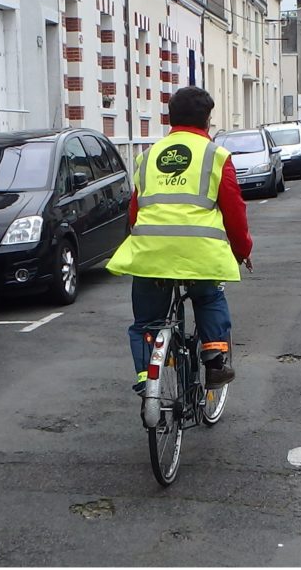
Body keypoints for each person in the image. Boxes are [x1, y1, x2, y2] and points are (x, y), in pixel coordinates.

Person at [107, 86, 253, 394]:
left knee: (147, 323)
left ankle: (149, 384)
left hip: (151, 254)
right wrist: (241, 251)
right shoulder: (215, 155)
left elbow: (134, 211)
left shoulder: (147, 157)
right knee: (209, 297)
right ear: (207, 120)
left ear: (170, 118)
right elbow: (234, 211)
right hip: (198, 253)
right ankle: (214, 361)